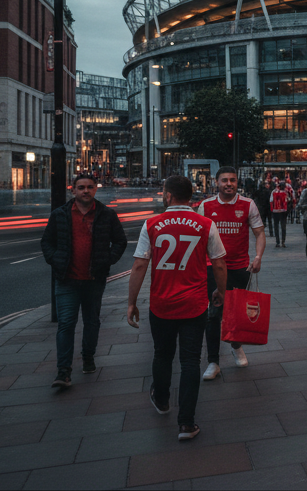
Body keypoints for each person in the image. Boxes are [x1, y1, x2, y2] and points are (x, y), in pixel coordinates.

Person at [127, 175, 227, 441]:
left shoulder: (152, 224)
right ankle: (186, 423)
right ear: (190, 196)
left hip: (161, 304)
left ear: (168, 196)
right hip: (194, 304)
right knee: (191, 361)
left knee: (162, 355)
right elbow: (218, 263)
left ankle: (161, 400)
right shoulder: (206, 224)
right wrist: (220, 291)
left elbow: (139, 265)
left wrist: (131, 302)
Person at [41, 174, 128, 387]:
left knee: (92, 322)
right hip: (67, 279)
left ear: (95, 189)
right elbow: (47, 242)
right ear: (73, 190)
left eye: (90, 187)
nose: (85, 191)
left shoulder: (106, 214)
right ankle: (64, 371)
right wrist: (55, 260)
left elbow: (120, 241)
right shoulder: (59, 214)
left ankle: (88, 357)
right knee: (66, 324)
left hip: (93, 279)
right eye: (81, 187)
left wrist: (107, 261)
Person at [198, 166, 266, 378]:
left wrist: (258, 257)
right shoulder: (206, 206)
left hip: (240, 267)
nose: (229, 184)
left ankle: (236, 346)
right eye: (225, 180)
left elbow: (260, 233)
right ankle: (213, 362)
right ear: (216, 182)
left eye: (233, 180)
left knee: (235, 313)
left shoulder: (248, 204)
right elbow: (199, 238)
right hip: (213, 267)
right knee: (213, 313)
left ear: (238, 183)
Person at [270, 180, 289, 247]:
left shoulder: (273, 192)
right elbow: (287, 201)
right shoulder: (285, 192)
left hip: (275, 211)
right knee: (283, 226)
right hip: (283, 211)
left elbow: (271, 201)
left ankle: (277, 242)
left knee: (276, 226)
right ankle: (283, 241)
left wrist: (272, 209)